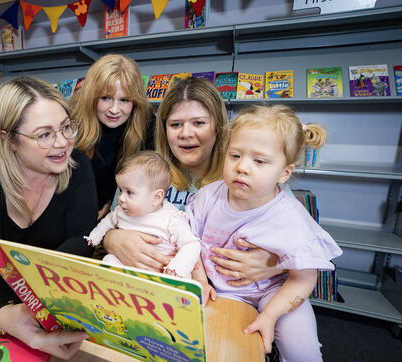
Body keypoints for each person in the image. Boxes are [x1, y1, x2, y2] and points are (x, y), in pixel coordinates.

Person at [0, 75, 98, 359]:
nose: (63, 143)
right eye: (44, 134)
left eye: (66, 127)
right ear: (10, 140)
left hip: (53, 282)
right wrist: (4, 314)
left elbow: (82, 239)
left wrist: (37, 298)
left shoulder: (79, 167)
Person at [188, 104, 343, 360]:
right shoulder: (206, 197)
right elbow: (189, 240)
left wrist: (270, 315)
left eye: (259, 161)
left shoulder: (291, 218)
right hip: (212, 285)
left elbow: (304, 279)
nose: (242, 167)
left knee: (302, 350)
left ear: (284, 173)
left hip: (273, 292)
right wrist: (201, 281)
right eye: (235, 155)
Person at [102, 77, 283, 285]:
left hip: (228, 296)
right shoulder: (142, 172)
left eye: (199, 123)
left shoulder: (247, 174)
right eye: (175, 124)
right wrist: (113, 240)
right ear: (164, 129)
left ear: (218, 126)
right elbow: (109, 226)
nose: (186, 134)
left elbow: (305, 246)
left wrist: (276, 264)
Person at [85, 150, 201, 278]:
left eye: (129, 192)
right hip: (129, 270)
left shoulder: (172, 219)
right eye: (121, 190)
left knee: (179, 278)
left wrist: (178, 267)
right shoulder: (121, 210)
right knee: (109, 259)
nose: (121, 198)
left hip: (163, 272)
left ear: (156, 197)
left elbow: (191, 244)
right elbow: (107, 222)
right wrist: (95, 236)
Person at [71, 54, 153, 219]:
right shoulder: (71, 119)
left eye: (124, 100)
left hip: (121, 211)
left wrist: (113, 204)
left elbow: (147, 180)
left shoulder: (147, 124)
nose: (114, 109)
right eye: (106, 98)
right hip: (74, 208)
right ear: (92, 96)